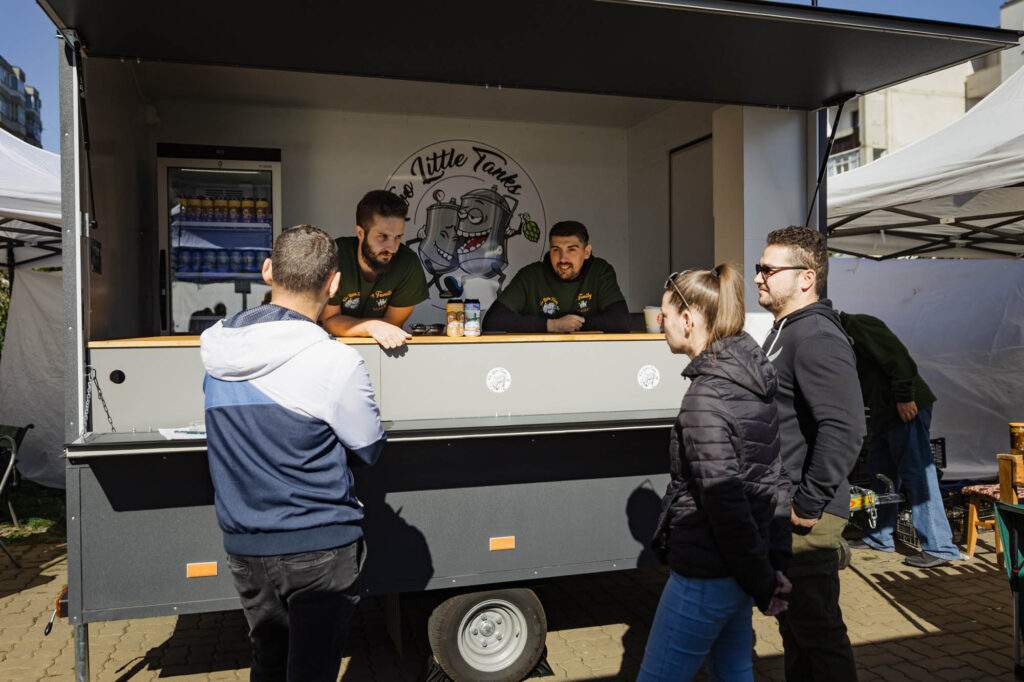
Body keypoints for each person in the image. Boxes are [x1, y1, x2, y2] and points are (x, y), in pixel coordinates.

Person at [201, 224, 386, 682]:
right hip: (318, 543)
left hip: (245, 546)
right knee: (311, 671)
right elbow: (369, 447)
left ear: (268, 271)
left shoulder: (216, 352)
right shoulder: (335, 361)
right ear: (334, 284)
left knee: (267, 662)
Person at [639, 264, 792, 681]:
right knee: (733, 672)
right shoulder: (750, 380)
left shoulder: (705, 398)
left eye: (665, 315)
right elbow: (776, 479)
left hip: (707, 574)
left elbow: (725, 504)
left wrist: (764, 579)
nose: (660, 323)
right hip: (740, 569)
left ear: (688, 320)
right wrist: (771, 565)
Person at [755, 226, 865, 682]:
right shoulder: (787, 330)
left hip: (806, 517)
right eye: (759, 268)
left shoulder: (817, 336)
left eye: (768, 269)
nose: (758, 277)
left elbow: (844, 426)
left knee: (818, 635)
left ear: (806, 278)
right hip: (784, 508)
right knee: (797, 632)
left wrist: (808, 503)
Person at [840, 312, 960, 568]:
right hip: (883, 414)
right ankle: (879, 537)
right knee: (880, 472)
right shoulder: (837, 337)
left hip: (904, 407)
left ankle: (940, 547)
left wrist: (904, 396)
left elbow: (898, 357)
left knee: (918, 472)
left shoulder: (856, 324)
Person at [320, 190, 429, 348]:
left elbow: (393, 324)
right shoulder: (333, 256)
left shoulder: (408, 263)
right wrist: (371, 326)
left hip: (386, 351)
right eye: (383, 236)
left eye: (398, 237)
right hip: (332, 349)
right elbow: (330, 322)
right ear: (360, 233)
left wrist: (373, 326)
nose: (392, 247)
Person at [482, 220, 630, 333]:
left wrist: (574, 325)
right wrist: (552, 325)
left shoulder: (600, 271)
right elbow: (492, 321)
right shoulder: (531, 275)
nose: (563, 258)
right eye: (556, 250)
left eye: (571, 250)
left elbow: (621, 321)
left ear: (586, 252)